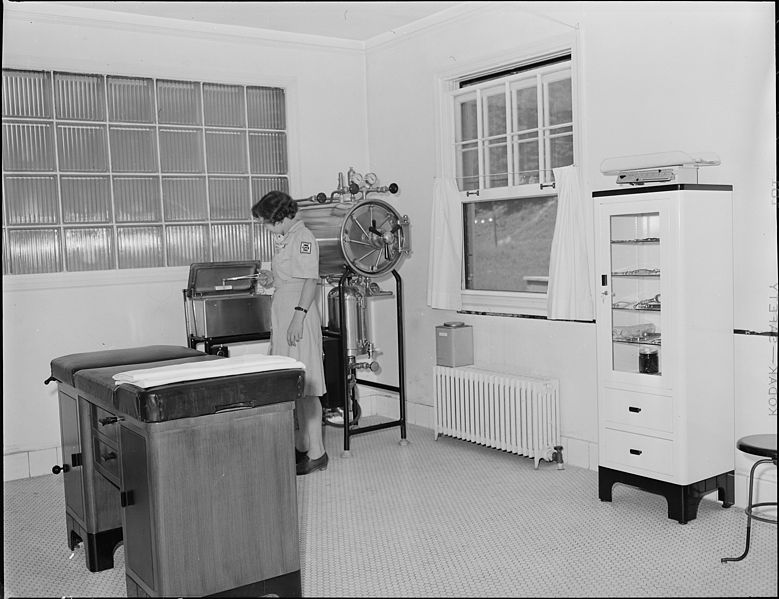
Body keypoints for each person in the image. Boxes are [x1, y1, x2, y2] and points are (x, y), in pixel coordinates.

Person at [251, 190, 328, 475]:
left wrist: (298, 318)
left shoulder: (303, 237)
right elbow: (289, 277)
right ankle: (302, 445)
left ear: (280, 217)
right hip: (284, 312)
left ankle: (317, 452)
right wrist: (272, 278)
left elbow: (310, 282)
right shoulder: (286, 238)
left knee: (307, 387)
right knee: (293, 385)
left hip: (298, 314)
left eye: (268, 223)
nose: (267, 228)